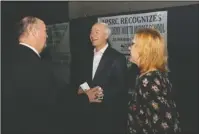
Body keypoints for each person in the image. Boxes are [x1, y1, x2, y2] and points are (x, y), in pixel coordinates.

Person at [2, 16, 101, 134]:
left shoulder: (9, 57)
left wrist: (75, 91)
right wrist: (86, 98)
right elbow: (55, 105)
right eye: (45, 31)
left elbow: (48, 91)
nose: (47, 36)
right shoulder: (34, 65)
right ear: (33, 31)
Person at [127, 28, 181, 134]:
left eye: (133, 44)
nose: (129, 48)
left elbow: (165, 125)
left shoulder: (148, 80)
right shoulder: (155, 75)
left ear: (144, 49)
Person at [77, 22, 128, 133]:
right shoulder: (85, 56)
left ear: (106, 36)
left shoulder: (117, 58)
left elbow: (121, 87)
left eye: (97, 32)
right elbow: (82, 80)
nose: (92, 35)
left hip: (107, 114)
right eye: (91, 32)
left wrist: (98, 94)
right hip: (86, 112)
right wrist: (85, 91)